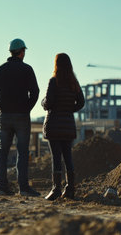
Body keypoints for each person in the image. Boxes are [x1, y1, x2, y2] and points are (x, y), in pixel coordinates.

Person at [0, 38, 40, 196]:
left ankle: (2, 187)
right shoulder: (27, 69)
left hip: (5, 117)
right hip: (22, 116)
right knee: (22, 152)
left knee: (2, 151)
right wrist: (27, 108)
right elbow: (35, 92)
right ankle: (23, 188)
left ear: (10, 52)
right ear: (22, 52)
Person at [41, 53, 85, 200]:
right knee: (68, 157)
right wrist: (69, 109)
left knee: (56, 157)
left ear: (56, 65)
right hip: (68, 126)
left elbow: (49, 102)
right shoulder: (74, 83)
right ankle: (70, 189)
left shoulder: (54, 81)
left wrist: (43, 102)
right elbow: (81, 102)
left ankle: (56, 189)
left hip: (54, 125)